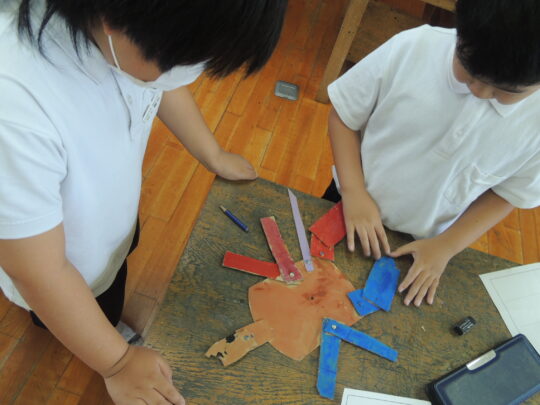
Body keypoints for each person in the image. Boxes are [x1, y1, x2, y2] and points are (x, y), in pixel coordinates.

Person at [0, 0, 287, 404]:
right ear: (112, 20)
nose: (188, 73)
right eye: (181, 61)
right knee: (78, 308)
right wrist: (116, 362)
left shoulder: (131, 41)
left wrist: (213, 153)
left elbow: (159, 83)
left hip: (108, 222)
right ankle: (86, 333)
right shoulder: (15, 107)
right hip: (60, 263)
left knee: (114, 277)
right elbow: (37, 271)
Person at [324, 0, 540, 308]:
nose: (480, 91)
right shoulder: (413, 47)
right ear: (460, 30)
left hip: (426, 241)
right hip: (347, 198)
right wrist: (353, 191)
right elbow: (344, 117)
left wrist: (446, 246)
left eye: (507, 90)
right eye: (468, 68)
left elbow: (508, 194)